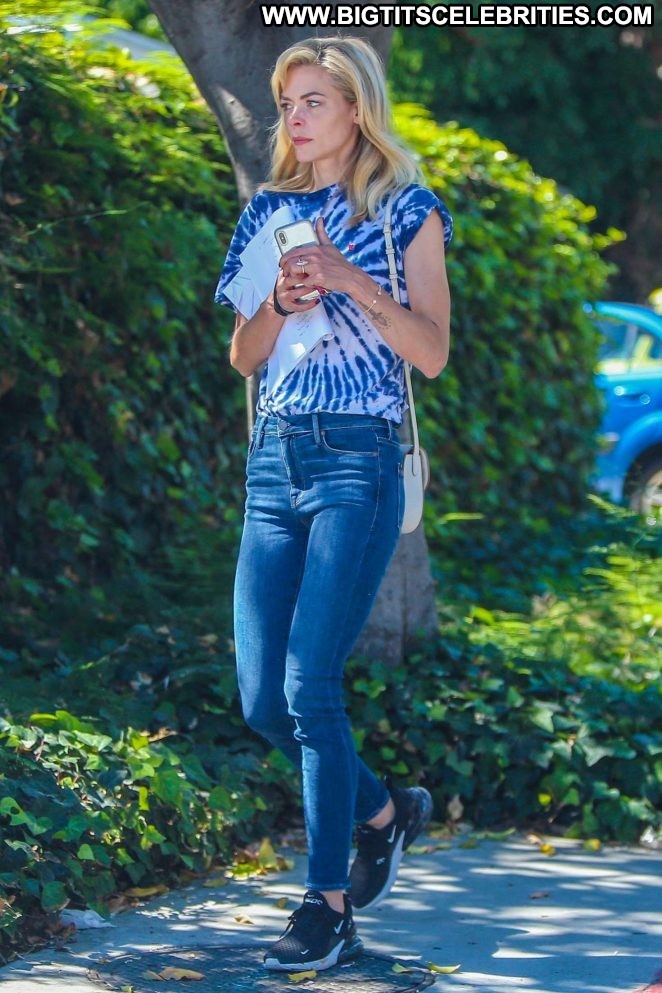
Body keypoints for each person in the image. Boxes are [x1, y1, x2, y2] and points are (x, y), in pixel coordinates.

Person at [214, 35, 452, 973]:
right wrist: (277, 301)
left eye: (313, 100)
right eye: (288, 105)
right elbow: (242, 356)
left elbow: (431, 352)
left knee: (310, 683)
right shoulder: (268, 212)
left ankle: (327, 904)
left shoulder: (406, 210)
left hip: (360, 459)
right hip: (275, 461)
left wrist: (350, 279)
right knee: (263, 698)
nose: (296, 119)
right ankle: (385, 812)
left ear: (357, 108)